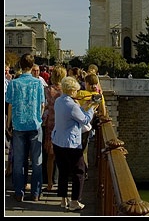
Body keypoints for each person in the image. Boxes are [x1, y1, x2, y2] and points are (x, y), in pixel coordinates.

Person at [5, 53, 46, 202]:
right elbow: (42, 104)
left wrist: (8, 124)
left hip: (18, 124)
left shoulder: (14, 83)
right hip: (34, 124)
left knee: (19, 161)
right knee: (36, 161)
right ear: (32, 65)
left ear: (20, 65)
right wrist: (39, 117)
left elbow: (9, 105)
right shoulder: (38, 83)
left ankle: (19, 192)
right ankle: (35, 193)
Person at [52, 75, 97, 211]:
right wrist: (92, 108)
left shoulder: (59, 101)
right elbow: (84, 120)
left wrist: (84, 106)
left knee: (63, 171)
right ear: (72, 91)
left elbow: (73, 114)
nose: (77, 92)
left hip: (58, 140)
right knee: (79, 170)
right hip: (70, 143)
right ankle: (75, 201)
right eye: (76, 90)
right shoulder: (72, 105)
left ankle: (63, 199)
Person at [43, 65, 67, 192]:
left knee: (50, 157)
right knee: (63, 157)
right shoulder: (65, 91)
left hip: (51, 124)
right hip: (63, 125)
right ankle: (62, 185)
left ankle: (50, 182)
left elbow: (45, 107)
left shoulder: (48, 90)